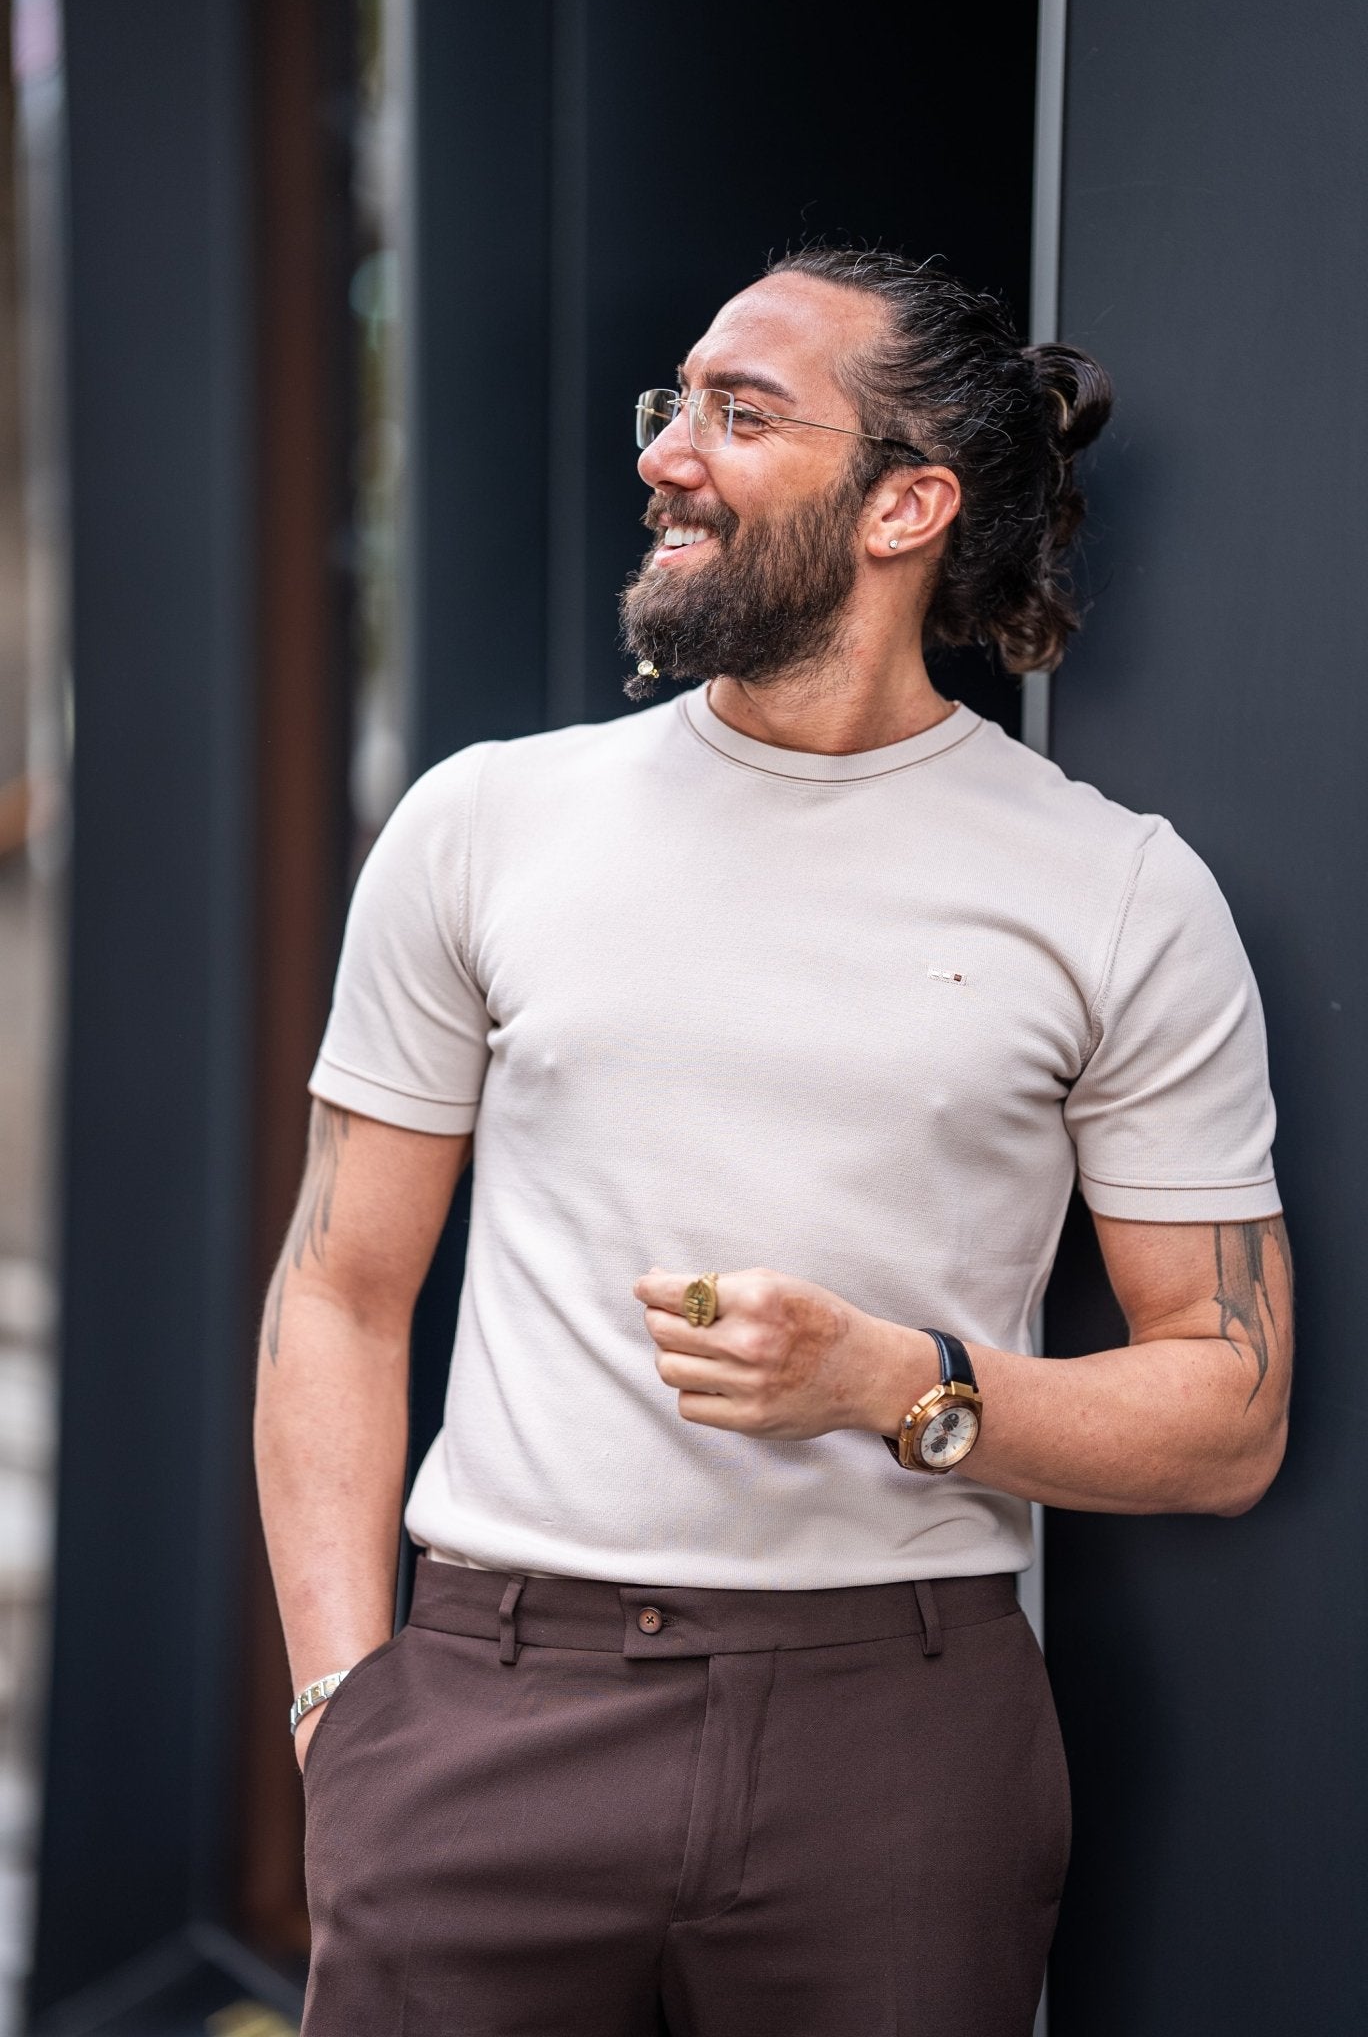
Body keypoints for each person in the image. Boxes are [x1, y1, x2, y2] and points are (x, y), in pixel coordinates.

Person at [255, 246, 1292, 2037]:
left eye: (742, 414)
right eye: (675, 404)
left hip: (901, 1740)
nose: (664, 451)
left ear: (909, 502)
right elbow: (342, 1289)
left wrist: (902, 1384)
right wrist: (345, 1708)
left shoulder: (1120, 893)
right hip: (490, 1708)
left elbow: (1230, 1412)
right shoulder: (484, 824)